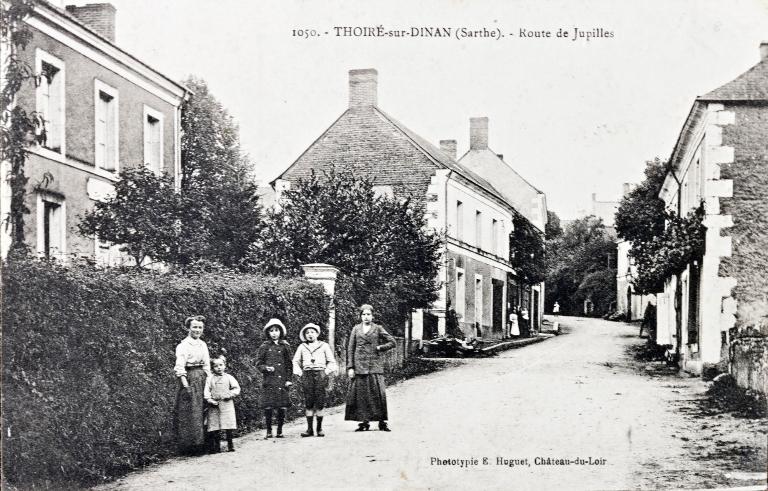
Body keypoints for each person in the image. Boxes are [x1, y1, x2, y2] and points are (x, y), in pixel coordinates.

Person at [344, 304, 396, 432]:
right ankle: (364, 422)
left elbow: (392, 342)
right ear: (360, 316)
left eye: (368, 314)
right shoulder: (356, 329)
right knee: (361, 395)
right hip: (359, 366)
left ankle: (382, 422)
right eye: (363, 314)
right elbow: (350, 349)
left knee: (378, 394)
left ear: (372, 316)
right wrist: (350, 367)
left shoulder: (378, 328)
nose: (366, 317)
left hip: (374, 366)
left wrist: (380, 348)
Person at [173, 315, 211, 455]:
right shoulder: (183, 345)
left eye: (200, 327)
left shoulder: (203, 345)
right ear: (188, 328)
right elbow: (180, 367)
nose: (197, 330)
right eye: (194, 327)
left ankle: (202, 444)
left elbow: (207, 365)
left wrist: (209, 383)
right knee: (190, 412)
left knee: (203, 410)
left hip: (202, 378)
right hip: (189, 378)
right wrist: (186, 386)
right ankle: (189, 446)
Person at [293, 323, 338, 437]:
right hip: (307, 375)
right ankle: (309, 429)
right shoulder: (302, 347)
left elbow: (331, 362)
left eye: (312, 332)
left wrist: (325, 372)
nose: (310, 335)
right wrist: (300, 373)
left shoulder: (324, 346)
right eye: (307, 333)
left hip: (320, 374)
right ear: (305, 335)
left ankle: (319, 428)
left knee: (319, 402)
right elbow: (295, 361)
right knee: (309, 402)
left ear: (317, 333)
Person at [256, 318, 293, 439]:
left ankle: (280, 430)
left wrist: (288, 379)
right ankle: (269, 430)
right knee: (269, 406)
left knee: (281, 406)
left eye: (276, 330)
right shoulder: (264, 346)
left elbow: (289, 365)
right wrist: (266, 368)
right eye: (271, 330)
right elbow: (258, 363)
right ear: (268, 332)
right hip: (269, 381)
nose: (274, 333)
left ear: (280, 332)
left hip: (282, 381)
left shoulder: (285, 346)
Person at [204, 355, 241, 453]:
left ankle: (230, 445)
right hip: (214, 405)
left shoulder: (229, 377)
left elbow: (236, 388)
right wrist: (210, 400)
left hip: (227, 404)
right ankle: (216, 447)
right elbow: (206, 392)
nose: (219, 367)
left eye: (221, 365)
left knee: (228, 425)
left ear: (225, 366)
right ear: (212, 368)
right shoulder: (210, 379)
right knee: (214, 426)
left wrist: (230, 394)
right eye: (216, 366)